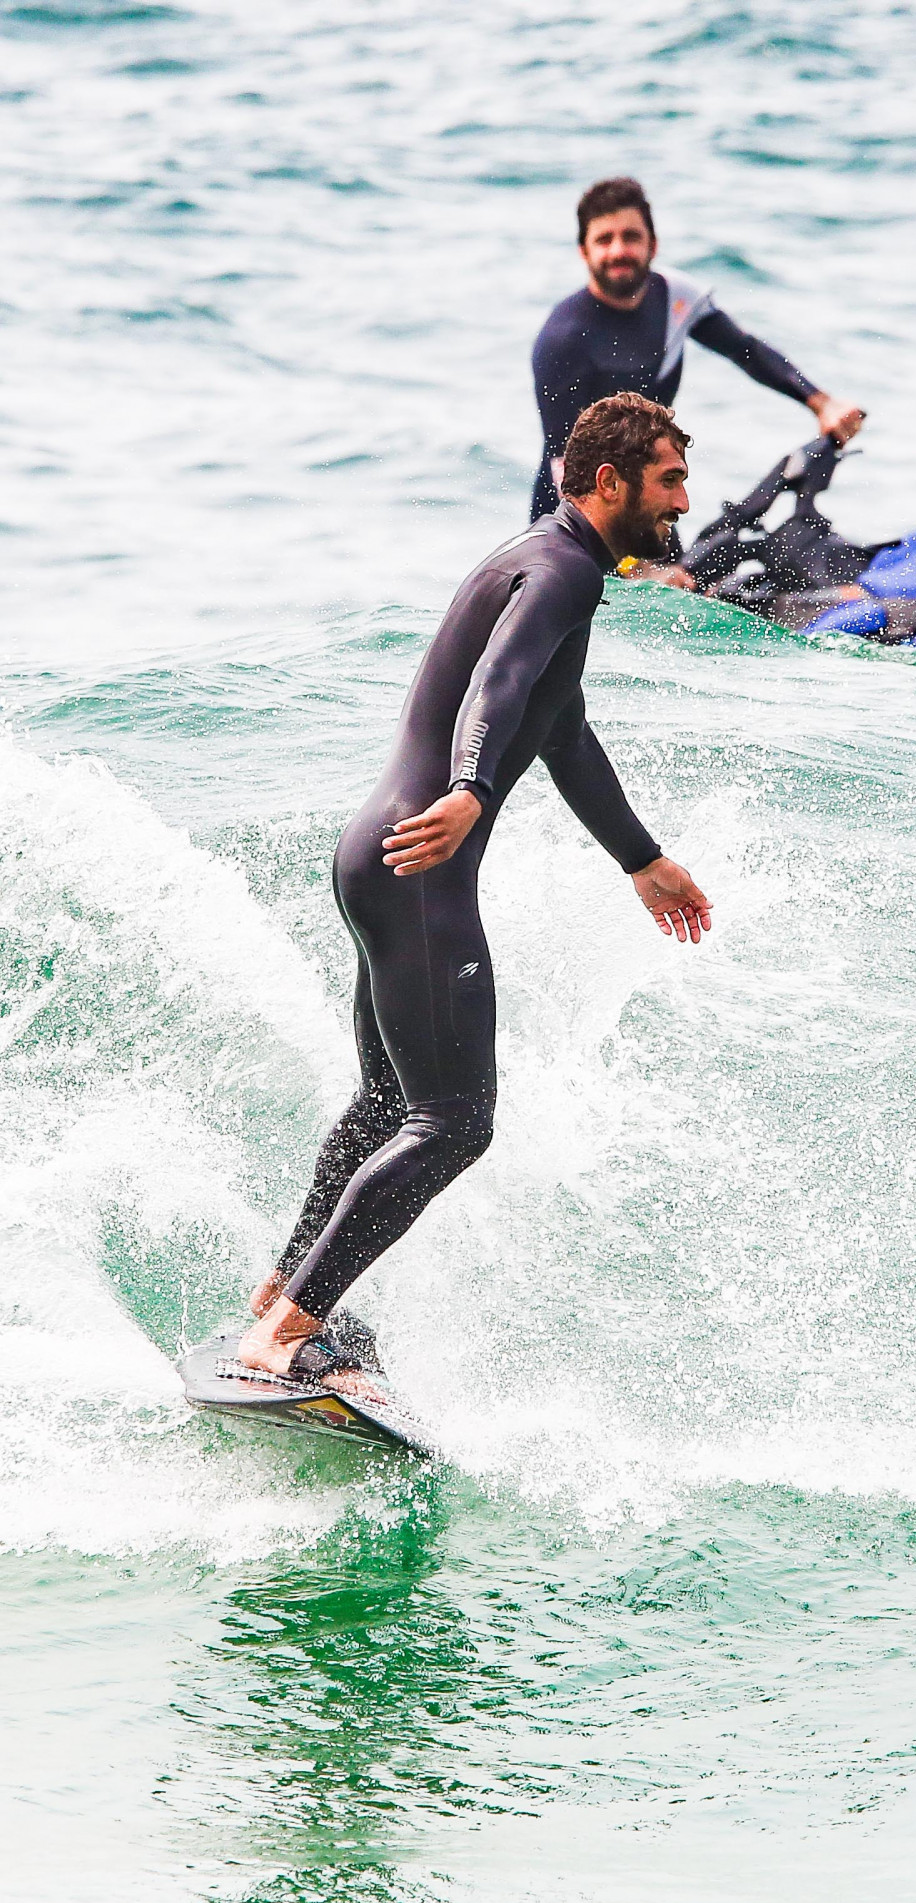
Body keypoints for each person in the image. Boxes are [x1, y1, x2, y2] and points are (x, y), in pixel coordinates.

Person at [237, 393, 713, 1394]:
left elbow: (563, 732)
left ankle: (281, 1295)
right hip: (421, 864)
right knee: (454, 1120)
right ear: (612, 481)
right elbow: (498, 688)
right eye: (668, 479)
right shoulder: (564, 572)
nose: (682, 500)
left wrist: (640, 858)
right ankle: (285, 1334)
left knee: (386, 1105)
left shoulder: (537, 560)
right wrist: (473, 790)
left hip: (378, 858)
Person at [530, 176, 865, 532]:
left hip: (652, 501)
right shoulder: (562, 339)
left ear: (653, 245)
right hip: (572, 522)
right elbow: (564, 464)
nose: (618, 251)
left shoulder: (676, 299)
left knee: (686, 578)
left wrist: (820, 402)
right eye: (604, 239)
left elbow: (745, 350)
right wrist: (627, 560)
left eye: (630, 236)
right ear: (584, 251)